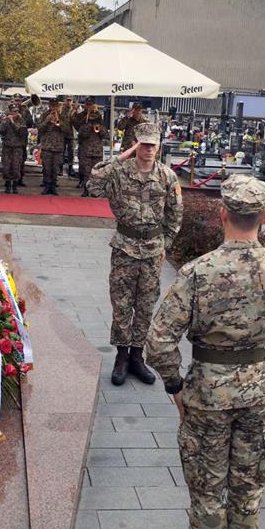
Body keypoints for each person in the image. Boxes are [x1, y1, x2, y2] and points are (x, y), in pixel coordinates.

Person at [146, 175, 265, 529]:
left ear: (222, 214)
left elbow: (159, 342)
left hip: (208, 393)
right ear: (261, 217)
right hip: (259, 391)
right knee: (247, 486)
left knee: (207, 488)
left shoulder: (197, 273)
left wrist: (174, 387)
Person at [88, 122, 183, 386]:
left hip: (153, 250)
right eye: (144, 143)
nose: (149, 149)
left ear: (159, 145)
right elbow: (94, 183)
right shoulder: (120, 172)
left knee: (145, 305)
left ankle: (137, 356)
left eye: (154, 144)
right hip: (124, 247)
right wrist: (122, 155)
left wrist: (166, 244)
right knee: (121, 304)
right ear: (136, 144)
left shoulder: (167, 176)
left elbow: (175, 214)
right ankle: (121, 356)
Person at [74, 97, 106, 196]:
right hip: (86, 149)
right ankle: (86, 190)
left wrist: (99, 129)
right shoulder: (82, 117)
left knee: (96, 173)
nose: (89, 106)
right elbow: (81, 133)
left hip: (97, 150)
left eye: (90, 104)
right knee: (86, 172)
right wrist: (88, 123)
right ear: (84, 105)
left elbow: (105, 135)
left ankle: (95, 191)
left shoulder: (99, 117)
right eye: (87, 104)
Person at [38, 98, 66, 195]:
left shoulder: (62, 117)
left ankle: (53, 186)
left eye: (55, 106)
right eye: (52, 105)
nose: (54, 108)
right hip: (47, 146)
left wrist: (59, 123)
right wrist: (47, 121)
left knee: (55, 168)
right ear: (49, 106)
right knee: (46, 168)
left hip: (58, 147)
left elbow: (67, 131)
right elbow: (40, 129)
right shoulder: (44, 115)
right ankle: (46, 186)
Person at [0, 104, 28, 194]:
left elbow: (22, 133)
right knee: (6, 166)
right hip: (7, 146)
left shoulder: (22, 121)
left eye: (16, 111)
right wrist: (4, 122)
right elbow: (1, 131)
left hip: (17, 147)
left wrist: (12, 122)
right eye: (13, 111)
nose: (15, 113)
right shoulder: (6, 120)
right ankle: (7, 185)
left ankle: (15, 186)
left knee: (16, 166)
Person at [61, 97, 78, 178]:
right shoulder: (62, 109)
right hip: (63, 134)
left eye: (70, 100)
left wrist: (76, 110)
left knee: (71, 153)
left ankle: (70, 168)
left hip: (72, 134)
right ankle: (60, 168)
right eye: (67, 100)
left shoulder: (75, 110)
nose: (68, 102)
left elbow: (78, 120)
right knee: (61, 151)